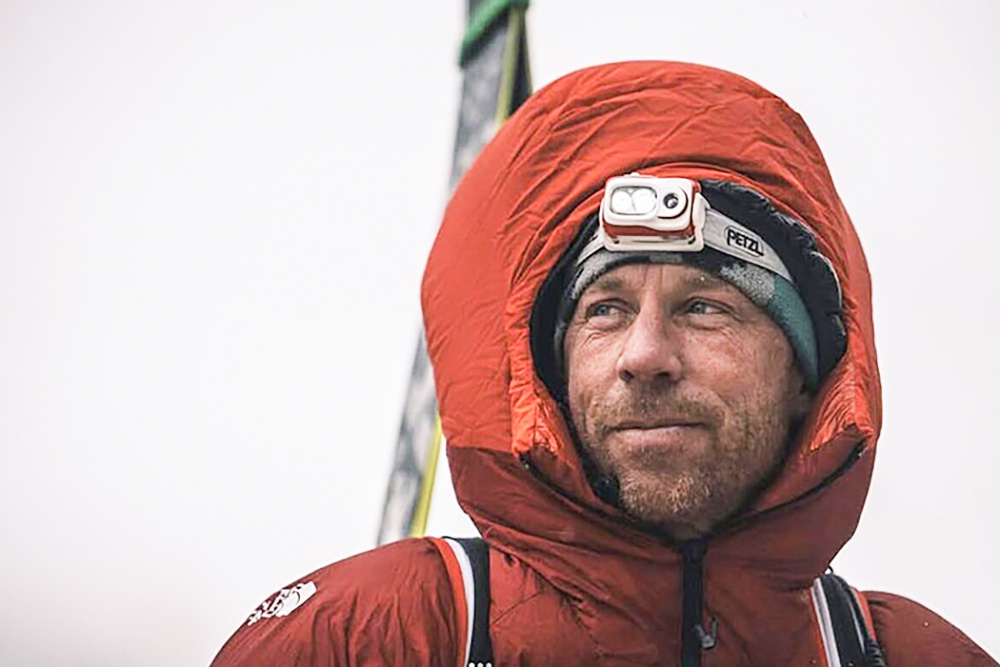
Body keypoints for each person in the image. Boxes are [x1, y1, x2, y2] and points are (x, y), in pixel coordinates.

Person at [211, 61, 996, 665]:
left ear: (806, 377)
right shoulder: (373, 635)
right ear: (551, 374)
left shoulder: (912, 656)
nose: (644, 356)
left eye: (704, 307)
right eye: (606, 311)